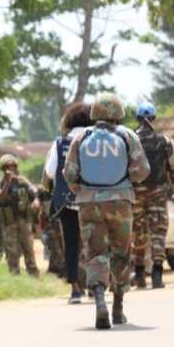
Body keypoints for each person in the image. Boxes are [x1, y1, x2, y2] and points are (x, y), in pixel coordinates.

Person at [63, 93, 150, 329]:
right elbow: (142, 171)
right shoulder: (127, 135)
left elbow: (69, 173)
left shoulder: (81, 137)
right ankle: (118, 308)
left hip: (89, 204)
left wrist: (82, 191)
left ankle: (100, 301)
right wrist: (125, 180)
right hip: (121, 202)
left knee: (95, 253)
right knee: (121, 253)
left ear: (95, 113)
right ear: (118, 114)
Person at [41, 102, 92, 304]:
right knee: (94, 243)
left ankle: (75, 289)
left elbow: (50, 172)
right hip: (92, 201)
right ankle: (95, 285)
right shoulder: (96, 140)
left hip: (67, 202)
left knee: (71, 244)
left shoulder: (60, 143)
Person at [131, 102, 174, 289]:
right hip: (158, 194)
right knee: (158, 233)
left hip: (135, 194)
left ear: (137, 118)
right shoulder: (165, 140)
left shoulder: (129, 140)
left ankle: (139, 275)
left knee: (138, 233)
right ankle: (156, 275)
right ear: (153, 118)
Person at [0, 155, 40, 277]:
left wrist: (36, 201)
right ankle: (14, 273)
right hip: (9, 221)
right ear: (2, 168)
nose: (10, 168)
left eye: (13, 166)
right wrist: (7, 184)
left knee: (28, 246)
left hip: (23, 219)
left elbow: (34, 191)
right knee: (11, 249)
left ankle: (33, 273)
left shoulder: (22, 181)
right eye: (7, 166)